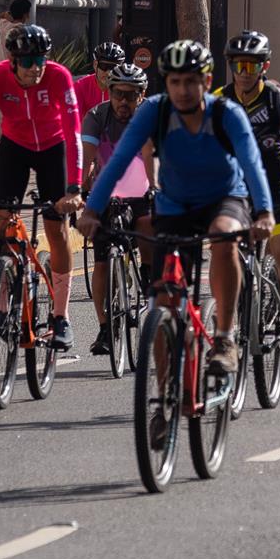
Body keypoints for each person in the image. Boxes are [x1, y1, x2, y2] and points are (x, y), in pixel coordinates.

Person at [78, 40, 273, 386]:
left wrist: (264, 213)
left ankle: (225, 336)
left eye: (191, 81)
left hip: (224, 197)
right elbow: (119, 160)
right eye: (175, 82)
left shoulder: (227, 114)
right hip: (175, 204)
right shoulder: (155, 110)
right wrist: (91, 209)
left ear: (207, 80)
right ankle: (165, 395)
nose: (183, 90)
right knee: (163, 304)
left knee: (224, 237)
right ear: (166, 84)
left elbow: (252, 164)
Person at [0, 23, 82, 350]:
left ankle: (61, 318)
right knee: (4, 224)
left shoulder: (59, 76)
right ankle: (1, 306)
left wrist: (74, 188)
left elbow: (73, 130)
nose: (35, 68)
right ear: (12, 60)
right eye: (27, 62)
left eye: (40, 60)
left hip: (52, 150)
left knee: (57, 229)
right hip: (14, 149)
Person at [216, 32, 280, 347]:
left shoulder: (278, 99)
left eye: (251, 65)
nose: (244, 72)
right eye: (238, 65)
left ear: (264, 66)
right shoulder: (219, 101)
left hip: (277, 185)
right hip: (237, 189)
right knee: (228, 251)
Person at [82, 62, 158, 355]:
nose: (123, 102)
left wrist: (155, 188)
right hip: (106, 194)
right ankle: (104, 327)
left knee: (146, 222)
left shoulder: (148, 118)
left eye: (131, 95)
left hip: (140, 189)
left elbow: (153, 157)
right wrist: (80, 190)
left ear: (142, 95)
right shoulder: (97, 116)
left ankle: (149, 271)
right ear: (109, 92)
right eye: (118, 94)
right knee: (101, 264)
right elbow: (87, 159)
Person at [74, 41, 127, 118]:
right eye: (104, 66)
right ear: (95, 65)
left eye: (113, 68)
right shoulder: (80, 86)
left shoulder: (126, 88)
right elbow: (74, 120)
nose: (108, 73)